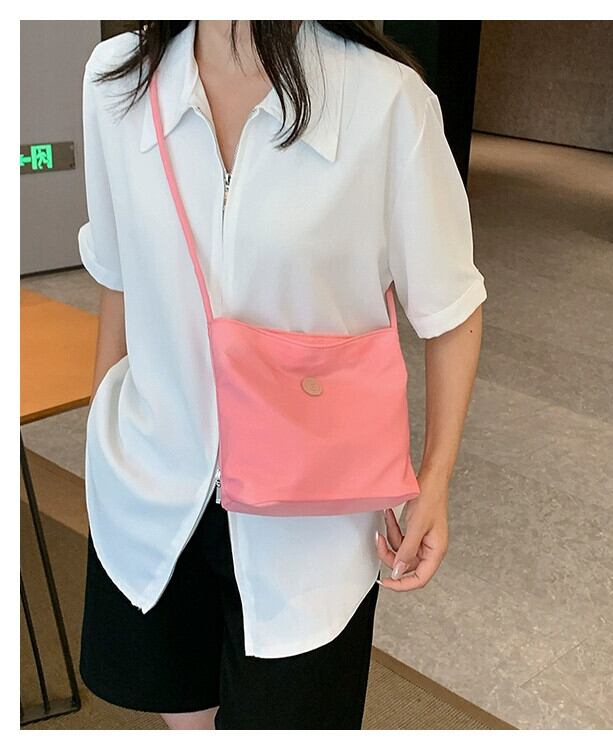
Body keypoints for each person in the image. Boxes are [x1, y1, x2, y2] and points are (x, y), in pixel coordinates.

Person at [77, 20, 486, 730]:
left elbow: (451, 308)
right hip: (152, 486)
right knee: (185, 717)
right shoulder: (118, 81)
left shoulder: (386, 102)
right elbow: (119, 279)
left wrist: (437, 477)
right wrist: (100, 443)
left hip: (311, 525)